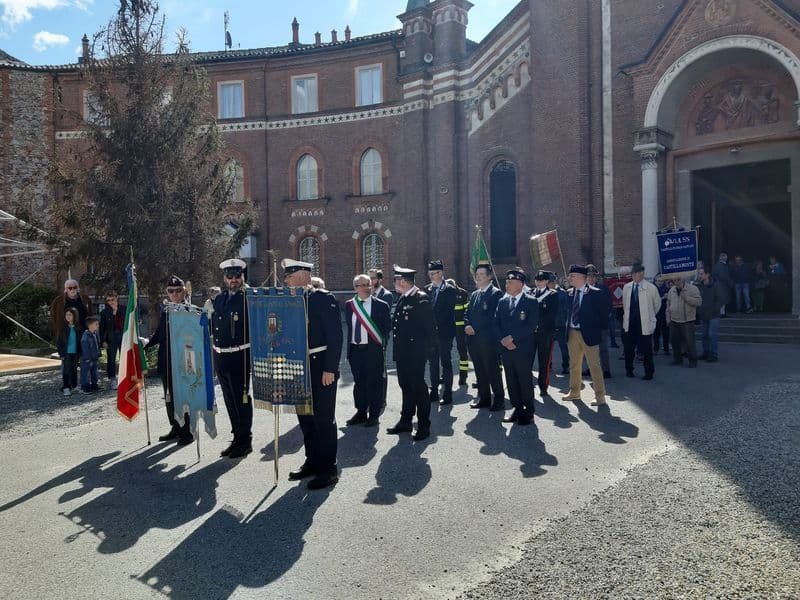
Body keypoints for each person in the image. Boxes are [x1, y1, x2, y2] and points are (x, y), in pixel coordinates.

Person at [284, 259, 343, 490]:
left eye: (290, 274)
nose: (286, 279)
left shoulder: (322, 298)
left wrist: (331, 368)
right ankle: (312, 460)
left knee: (323, 418)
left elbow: (335, 337)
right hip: (299, 366)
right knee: (305, 417)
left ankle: (328, 469)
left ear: (304, 276)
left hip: (320, 366)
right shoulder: (289, 301)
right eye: (286, 276)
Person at [145, 275, 194, 446]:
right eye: (170, 291)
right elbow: (160, 333)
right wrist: (146, 345)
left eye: (178, 290)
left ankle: (186, 432)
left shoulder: (189, 310)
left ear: (184, 291)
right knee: (169, 397)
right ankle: (175, 427)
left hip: (182, 362)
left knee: (183, 398)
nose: (174, 294)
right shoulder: (165, 310)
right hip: (166, 361)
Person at [388, 265, 435, 440]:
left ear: (402, 281)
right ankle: (406, 420)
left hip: (415, 353)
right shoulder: (403, 297)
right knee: (405, 386)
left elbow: (430, 328)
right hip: (403, 352)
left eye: (395, 280)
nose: (394, 283)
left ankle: (424, 425)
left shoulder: (420, 298)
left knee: (419, 388)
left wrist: (429, 351)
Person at [211, 260, 251, 458]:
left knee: (240, 399)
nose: (234, 280)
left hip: (239, 355)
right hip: (221, 356)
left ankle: (245, 440)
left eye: (237, 276)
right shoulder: (219, 299)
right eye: (230, 276)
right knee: (229, 399)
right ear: (224, 278)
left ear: (242, 276)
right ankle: (237, 437)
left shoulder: (249, 297)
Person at [344, 274, 391, 428]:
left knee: (374, 383)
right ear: (355, 288)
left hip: (373, 351)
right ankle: (361, 412)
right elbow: (350, 328)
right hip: (355, 351)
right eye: (362, 285)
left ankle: (374, 414)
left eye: (368, 284)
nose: (366, 287)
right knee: (359, 383)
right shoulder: (349, 305)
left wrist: (380, 346)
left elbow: (386, 329)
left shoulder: (381, 305)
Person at [494, 268, 538, 425]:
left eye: (510, 282)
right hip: (506, 348)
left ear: (520, 283)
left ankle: (529, 411)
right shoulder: (502, 301)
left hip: (523, 348)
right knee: (510, 379)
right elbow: (496, 323)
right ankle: (517, 408)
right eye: (506, 282)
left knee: (524, 379)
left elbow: (531, 325)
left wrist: (512, 338)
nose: (507, 284)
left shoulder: (531, 301)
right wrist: (503, 340)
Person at [562, 264, 611, 406]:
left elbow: (604, 313)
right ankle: (574, 392)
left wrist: (597, 329)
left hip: (589, 334)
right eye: (570, 275)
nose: (569, 278)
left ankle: (600, 396)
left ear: (582, 277)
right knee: (574, 365)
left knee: (594, 365)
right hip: (572, 333)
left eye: (573, 276)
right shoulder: (569, 293)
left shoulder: (596, 293)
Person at [464, 263, 505, 411]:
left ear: (489, 276)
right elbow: (467, 313)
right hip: (474, 340)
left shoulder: (496, 293)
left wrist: (475, 327)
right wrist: (467, 325)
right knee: (480, 370)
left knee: (492, 371)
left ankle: (499, 400)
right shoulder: (475, 294)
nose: (479, 277)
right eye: (477, 275)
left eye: (482, 275)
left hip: (488, 340)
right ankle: (484, 398)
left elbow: (492, 317)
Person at [424, 259, 457, 405]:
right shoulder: (426, 289)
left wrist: (434, 323)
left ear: (441, 273)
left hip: (444, 333)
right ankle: (434, 391)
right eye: (430, 273)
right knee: (432, 363)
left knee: (446, 362)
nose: (431, 275)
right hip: (430, 334)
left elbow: (448, 312)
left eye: (434, 273)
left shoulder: (449, 289)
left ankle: (448, 393)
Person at [622, 263, 661, 380]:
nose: (633, 276)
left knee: (647, 349)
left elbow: (657, 304)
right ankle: (629, 370)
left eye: (635, 274)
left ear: (641, 274)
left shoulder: (651, 288)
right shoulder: (627, 287)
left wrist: (649, 316)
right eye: (632, 274)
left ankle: (649, 372)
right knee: (628, 349)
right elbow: (625, 304)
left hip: (644, 323)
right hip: (630, 323)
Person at [531, 270, 558, 395]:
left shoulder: (552, 294)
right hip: (531, 334)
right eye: (537, 280)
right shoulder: (531, 293)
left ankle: (543, 386)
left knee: (544, 362)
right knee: (527, 360)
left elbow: (551, 315)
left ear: (547, 281)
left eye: (541, 280)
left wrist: (538, 325)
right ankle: (528, 384)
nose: (539, 282)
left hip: (545, 333)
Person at [666, 276, 702, 367]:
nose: (676, 282)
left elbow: (698, 302)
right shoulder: (672, 290)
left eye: (678, 279)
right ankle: (677, 359)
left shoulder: (693, 289)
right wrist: (668, 318)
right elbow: (668, 305)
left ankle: (693, 361)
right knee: (675, 341)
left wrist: (686, 297)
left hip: (687, 320)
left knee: (689, 342)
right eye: (674, 280)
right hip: (674, 320)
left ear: (683, 279)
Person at [584, 265, 612, 378]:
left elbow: (608, 305)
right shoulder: (583, 290)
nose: (591, 278)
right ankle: (590, 369)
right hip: (587, 325)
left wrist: (603, 318)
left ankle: (606, 370)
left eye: (593, 276)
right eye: (588, 276)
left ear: (596, 278)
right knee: (588, 349)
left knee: (602, 349)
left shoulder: (603, 289)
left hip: (600, 325)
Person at [697, 267, 726, 362]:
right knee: (704, 335)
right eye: (699, 274)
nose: (699, 276)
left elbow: (720, 299)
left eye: (701, 274)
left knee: (712, 335)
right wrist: (699, 310)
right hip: (703, 314)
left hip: (713, 315)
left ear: (707, 274)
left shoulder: (716, 285)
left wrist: (714, 310)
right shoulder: (699, 286)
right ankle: (706, 352)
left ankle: (713, 354)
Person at [50, 278, 91, 343]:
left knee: (82, 351)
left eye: (75, 287)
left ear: (78, 288)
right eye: (70, 288)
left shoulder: (85, 299)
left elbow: (90, 315)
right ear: (66, 289)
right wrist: (57, 330)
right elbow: (53, 316)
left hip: (82, 330)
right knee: (69, 351)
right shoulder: (58, 301)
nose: (73, 290)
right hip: (66, 331)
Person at [447, 277, 470, 387]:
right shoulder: (444, 294)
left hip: (460, 328)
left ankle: (463, 376)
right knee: (446, 352)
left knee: (462, 351)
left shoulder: (463, 293)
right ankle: (445, 375)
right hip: (449, 327)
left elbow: (466, 311)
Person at [99, 291, 124, 391]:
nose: (110, 302)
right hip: (111, 338)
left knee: (124, 357)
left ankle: (124, 377)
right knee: (111, 359)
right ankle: (112, 379)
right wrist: (103, 341)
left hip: (123, 337)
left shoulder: (124, 309)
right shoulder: (104, 312)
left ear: (116, 298)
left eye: (112, 299)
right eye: (108, 300)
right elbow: (102, 328)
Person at [548, 273, 570, 375]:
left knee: (563, 347)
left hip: (560, 324)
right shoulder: (547, 293)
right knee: (548, 348)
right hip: (550, 325)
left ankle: (566, 365)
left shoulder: (561, 293)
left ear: (554, 282)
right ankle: (549, 365)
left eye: (550, 282)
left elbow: (566, 309)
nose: (549, 284)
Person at [56, 307, 81, 396]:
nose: (68, 316)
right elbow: (59, 342)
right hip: (66, 353)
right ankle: (66, 387)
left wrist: (80, 353)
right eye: (66, 315)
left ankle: (74, 385)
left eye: (70, 315)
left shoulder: (78, 327)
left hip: (75, 352)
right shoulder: (63, 328)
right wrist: (61, 353)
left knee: (74, 369)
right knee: (66, 370)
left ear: (74, 316)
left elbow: (80, 341)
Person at [79, 315, 101, 393]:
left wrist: (98, 354)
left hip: (94, 357)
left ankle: (94, 385)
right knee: (85, 373)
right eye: (96, 324)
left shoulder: (95, 334)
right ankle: (85, 387)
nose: (98, 326)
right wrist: (87, 358)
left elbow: (97, 345)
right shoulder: (85, 336)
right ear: (90, 325)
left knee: (94, 372)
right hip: (87, 359)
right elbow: (85, 348)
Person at [652, 273, 671, 354]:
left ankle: (666, 349)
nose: (660, 282)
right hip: (655, 313)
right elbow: (653, 302)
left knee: (666, 332)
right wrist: (663, 297)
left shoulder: (666, 288)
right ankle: (656, 349)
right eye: (658, 281)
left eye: (662, 281)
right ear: (655, 281)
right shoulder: (652, 289)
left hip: (664, 312)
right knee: (656, 332)